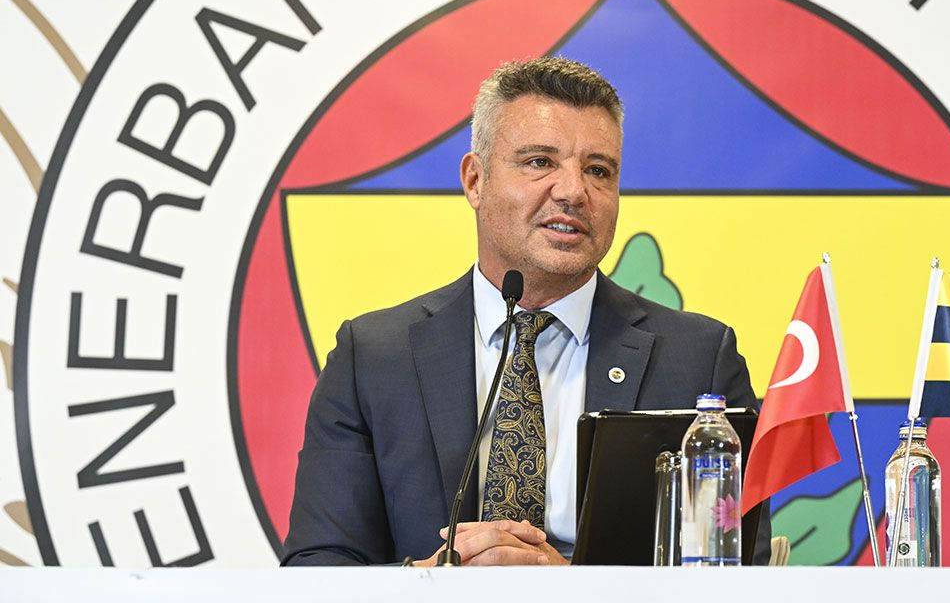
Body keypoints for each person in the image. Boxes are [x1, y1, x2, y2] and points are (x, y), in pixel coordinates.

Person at [281, 57, 764, 566]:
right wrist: (431, 581)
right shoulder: (373, 358)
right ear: (475, 181)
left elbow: (740, 575)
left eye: (598, 171)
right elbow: (316, 568)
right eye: (539, 162)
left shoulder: (698, 360)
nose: (573, 191)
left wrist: (574, 589)